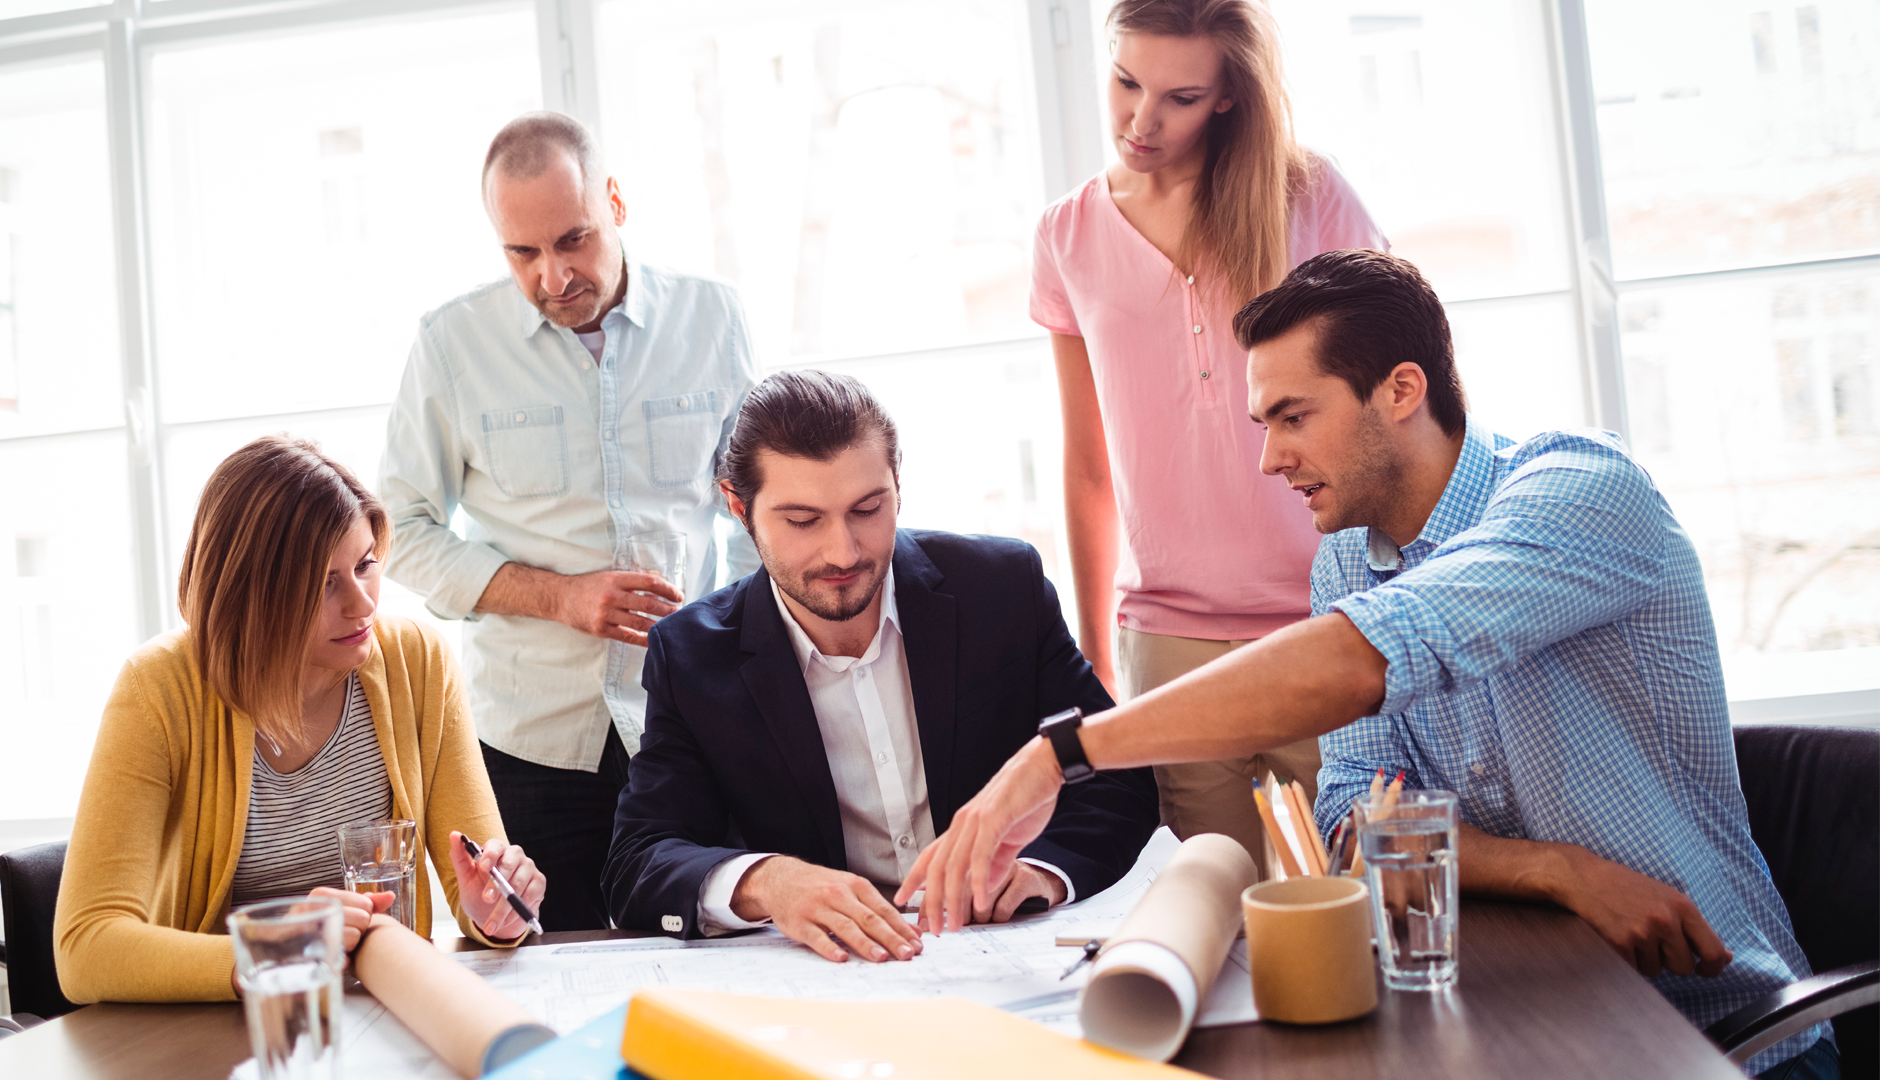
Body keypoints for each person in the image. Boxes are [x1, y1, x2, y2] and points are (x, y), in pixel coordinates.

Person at [901, 251, 1834, 1079]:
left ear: (1399, 390)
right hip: (1532, 1022)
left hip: (1725, 1034)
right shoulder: (1350, 557)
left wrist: (1063, 752)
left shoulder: (1579, 493)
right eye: (1265, 422)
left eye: (1293, 416)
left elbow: (1364, 661)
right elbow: (1355, 817)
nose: (1271, 458)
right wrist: (1554, 868)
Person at [602, 371, 1159, 962]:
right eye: (802, 521)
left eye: (868, 509)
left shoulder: (1002, 589)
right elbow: (638, 861)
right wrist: (769, 882)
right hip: (831, 986)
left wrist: (1043, 872)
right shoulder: (690, 655)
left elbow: (1114, 775)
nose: (843, 552)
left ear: (898, 484)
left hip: (1010, 959)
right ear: (739, 508)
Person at [378, 112, 759, 930]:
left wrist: (732, 647)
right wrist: (558, 597)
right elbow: (398, 530)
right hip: (533, 746)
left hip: (690, 723)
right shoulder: (451, 345)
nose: (554, 276)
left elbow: (753, 518)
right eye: (523, 253)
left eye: (574, 239)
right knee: (551, 972)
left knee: (711, 954)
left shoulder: (715, 321)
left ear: (616, 202)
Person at [1031, 0, 1386, 874]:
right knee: (1208, 916)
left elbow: (1395, 399)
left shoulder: (1311, 197)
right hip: (1169, 637)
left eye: (1179, 97)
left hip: (1326, 619)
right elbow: (1087, 466)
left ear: (1229, 96)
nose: (1140, 121)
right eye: (1124, 82)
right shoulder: (1066, 235)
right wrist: (1094, 656)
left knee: (1356, 904)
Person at [56, 437, 545, 1004]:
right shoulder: (159, 690)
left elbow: (480, 888)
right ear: (249, 594)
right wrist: (275, 947)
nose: (363, 604)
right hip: (228, 1032)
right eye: (323, 583)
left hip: (384, 1015)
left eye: (365, 565)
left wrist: (496, 911)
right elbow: (85, 947)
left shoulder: (419, 662)